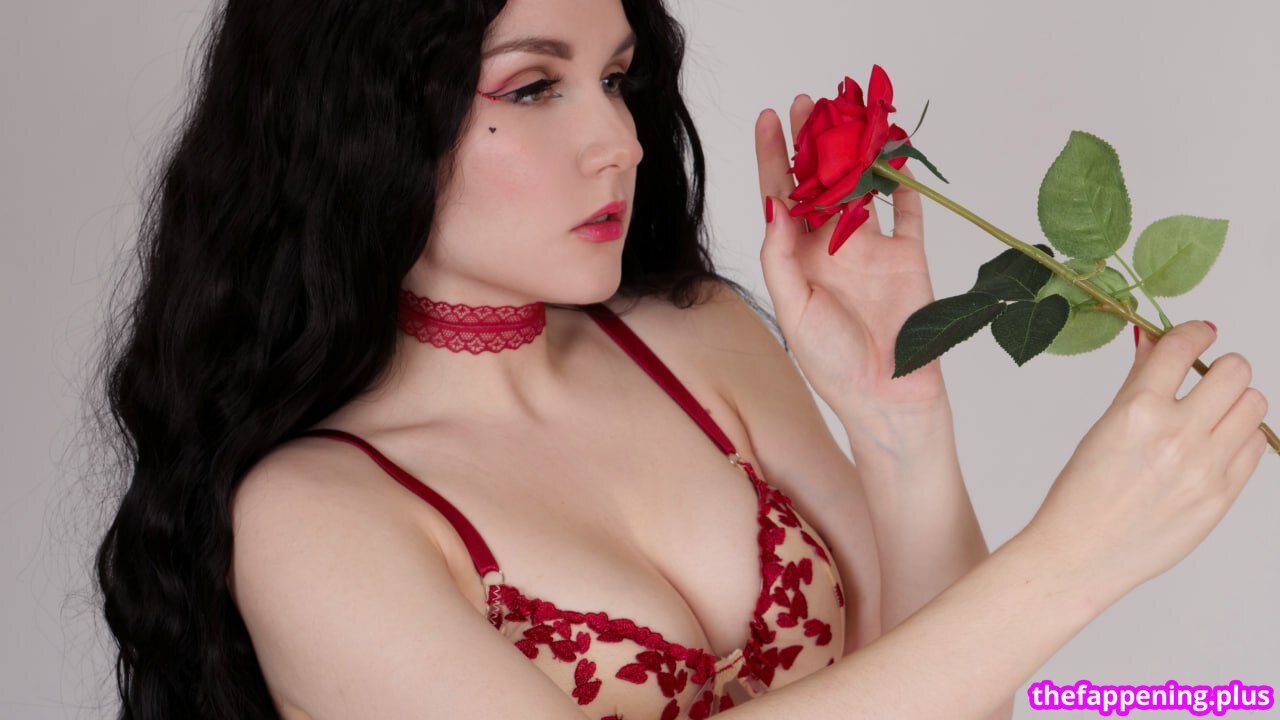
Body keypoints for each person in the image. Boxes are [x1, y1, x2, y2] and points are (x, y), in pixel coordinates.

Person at [91, 0, 1272, 718]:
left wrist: (898, 422)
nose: (618, 140)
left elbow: (958, 698)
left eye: (615, 78)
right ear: (358, 121)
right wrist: (1069, 563)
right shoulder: (311, 518)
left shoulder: (696, 336)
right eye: (533, 86)